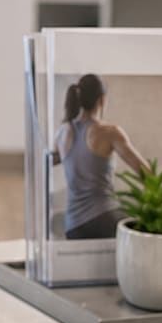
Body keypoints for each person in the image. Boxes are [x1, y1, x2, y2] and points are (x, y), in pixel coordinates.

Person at [54, 73, 148, 240]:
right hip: (105, 218)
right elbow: (145, 172)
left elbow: (51, 160)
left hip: (73, 227)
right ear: (102, 100)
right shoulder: (109, 133)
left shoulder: (62, 133)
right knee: (143, 228)